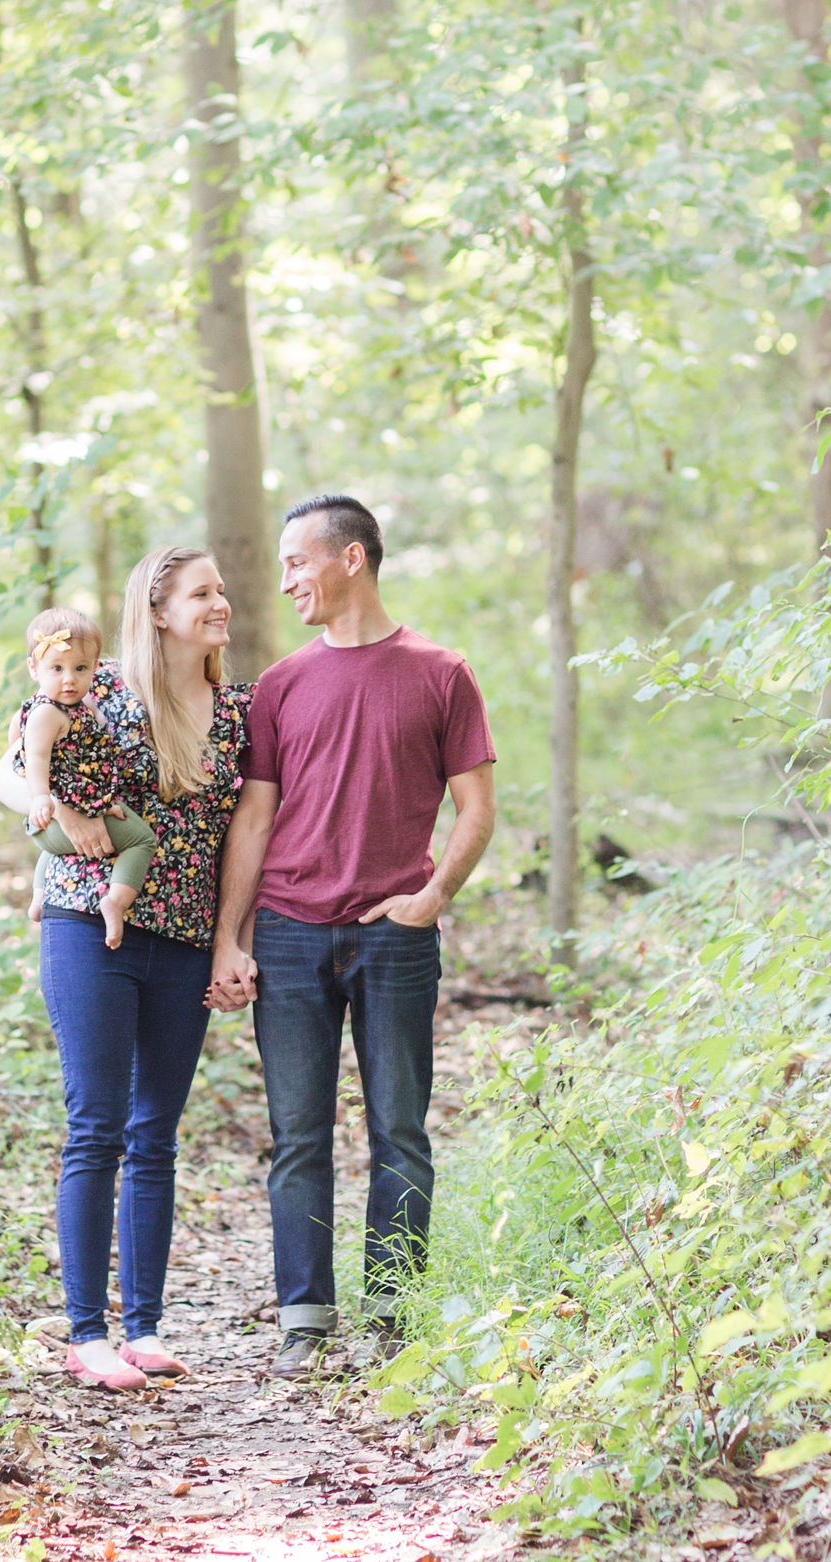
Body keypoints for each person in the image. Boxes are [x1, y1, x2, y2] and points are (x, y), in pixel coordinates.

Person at [207, 493, 496, 1378]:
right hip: (291, 935)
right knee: (298, 1136)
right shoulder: (282, 686)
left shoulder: (440, 673)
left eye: (299, 561)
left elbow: (477, 810)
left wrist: (432, 896)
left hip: (393, 936)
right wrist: (232, 939)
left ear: (351, 560)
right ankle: (306, 1319)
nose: (288, 578)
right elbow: (252, 825)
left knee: (399, 1130)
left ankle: (396, 1316)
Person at [0, 547, 252, 1394]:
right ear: (159, 607)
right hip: (85, 925)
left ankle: (143, 1326)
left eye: (220, 590)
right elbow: (6, 773)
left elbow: (250, 832)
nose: (222, 602)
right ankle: (85, 1332)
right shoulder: (92, 686)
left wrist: (229, 940)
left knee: (155, 1136)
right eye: (204, 592)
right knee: (96, 1125)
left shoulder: (239, 711)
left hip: (182, 936)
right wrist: (58, 806)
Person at [15, 606, 155, 950]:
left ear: (95, 667)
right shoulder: (47, 712)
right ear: (34, 668)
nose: (69, 679)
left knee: (56, 850)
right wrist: (42, 799)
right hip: (53, 815)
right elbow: (33, 758)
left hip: (71, 811)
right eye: (57, 669)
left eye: (80, 669)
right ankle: (115, 903)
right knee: (141, 841)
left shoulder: (73, 707)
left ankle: (38, 897)